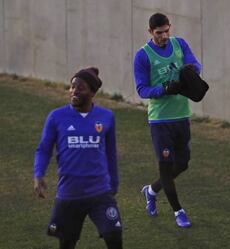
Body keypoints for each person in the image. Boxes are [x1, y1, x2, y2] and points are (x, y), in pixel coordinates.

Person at [33, 67, 123, 249]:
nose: (74, 91)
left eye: (80, 88)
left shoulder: (106, 116)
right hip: (69, 193)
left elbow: (111, 153)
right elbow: (43, 149)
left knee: (114, 237)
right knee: (67, 244)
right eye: (72, 87)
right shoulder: (56, 117)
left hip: (100, 192)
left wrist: (113, 183)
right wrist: (38, 174)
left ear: (92, 92)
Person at [133, 12, 202, 228]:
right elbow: (142, 90)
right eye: (158, 33)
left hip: (182, 115)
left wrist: (189, 74)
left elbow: (194, 65)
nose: (163, 36)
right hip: (160, 120)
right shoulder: (142, 56)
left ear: (169, 28)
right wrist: (164, 89)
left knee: (182, 164)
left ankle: (151, 191)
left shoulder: (179, 44)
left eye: (166, 31)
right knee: (166, 168)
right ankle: (178, 212)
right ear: (150, 32)